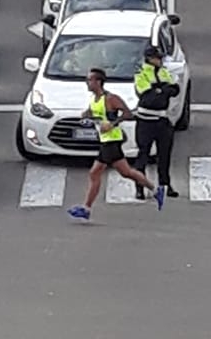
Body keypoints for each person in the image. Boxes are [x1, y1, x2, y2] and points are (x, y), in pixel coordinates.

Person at [68, 67, 156, 222]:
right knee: (126, 172)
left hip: (112, 140)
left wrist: (113, 124)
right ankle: (155, 190)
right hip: (105, 140)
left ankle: (86, 209)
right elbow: (95, 112)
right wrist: (87, 114)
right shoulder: (95, 99)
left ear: (98, 82)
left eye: (90, 80)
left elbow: (128, 113)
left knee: (95, 172)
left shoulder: (110, 98)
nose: (87, 83)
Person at [133, 43, 180, 203]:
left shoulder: (164, 72)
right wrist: (162, 91)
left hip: (162, 120)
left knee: (164, 155)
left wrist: (160, 90)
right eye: (158, 58)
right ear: (150, 59)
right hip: (145, 121)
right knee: (143, 156)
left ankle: (165, 185)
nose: (160, 60)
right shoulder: (141, 74)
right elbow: (148, 98)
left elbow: (175, 90)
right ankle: (139, 187)